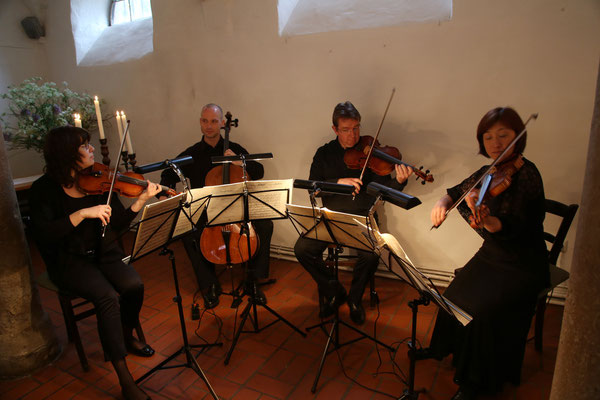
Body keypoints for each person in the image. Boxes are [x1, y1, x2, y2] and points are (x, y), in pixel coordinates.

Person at [29, 126, 162, 400]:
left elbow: (118, 226)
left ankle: (124, 335)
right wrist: (81, 214)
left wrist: (140, 201)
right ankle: (125, 378)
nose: (91, 150)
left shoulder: (100, 179)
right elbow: (43, 234)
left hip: (103, 252)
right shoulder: (44, 190)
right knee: (106, 298)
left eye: (90, 144)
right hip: (69, 260)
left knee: (133, 285)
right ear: (67, 153)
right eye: (84, 146)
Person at [425, 107, 549, 400]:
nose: (495, 142)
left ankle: (476, 382)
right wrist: (441, 203)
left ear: (517, 137)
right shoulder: (490, 171)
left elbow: (513, 227)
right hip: (493, 255)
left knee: (481, 313)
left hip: (523, 262)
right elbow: (454, 192)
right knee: (452, 294)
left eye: (503, 135)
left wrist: (488, 221)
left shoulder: (527, 175)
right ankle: (443, 348)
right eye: (488, 136)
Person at [294, 101, 413, 325]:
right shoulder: (324, 153)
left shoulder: (370, 152)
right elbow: (313, 185)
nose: (353, 135)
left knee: (371, 254)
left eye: (357, 128)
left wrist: (398, 180)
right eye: (346, 130)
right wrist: (338, 182)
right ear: (335, 129)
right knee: (301, 249)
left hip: (363, 216)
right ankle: (334, 290)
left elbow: (384, 190)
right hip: (330, 216)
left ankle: (355, 300)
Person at [160, 103, 273, 309]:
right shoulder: (191, 153)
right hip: (206, 209)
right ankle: (209, 284)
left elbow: (259, 170)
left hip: (237, 207)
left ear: (222, 123)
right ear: (200, 123)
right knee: (187, 231)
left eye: (214, 121)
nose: (209, 126)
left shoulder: (235, 149)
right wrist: (164, 193)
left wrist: (240, 163)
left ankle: (252, 281)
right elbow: (168, 175)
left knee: (265, 224)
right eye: (205, 121)